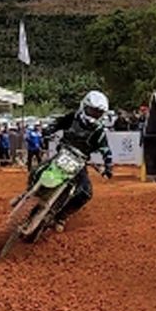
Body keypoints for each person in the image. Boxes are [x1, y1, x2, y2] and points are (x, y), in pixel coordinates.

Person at [41, 91, 114, 231]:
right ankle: (27, 194)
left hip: (79, 162)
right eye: (92, 111)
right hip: (62, 153)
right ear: (84, 106)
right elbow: (57, 124)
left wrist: (108, 165)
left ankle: (61, 216)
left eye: (97, 113)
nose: (93, 115)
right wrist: (48, 130)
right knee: (39, 169)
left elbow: (105, 149)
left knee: (86, 192)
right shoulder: (72, 117)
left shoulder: (98, 131)